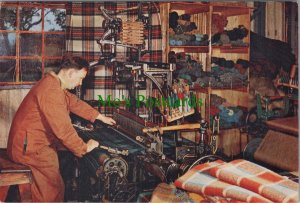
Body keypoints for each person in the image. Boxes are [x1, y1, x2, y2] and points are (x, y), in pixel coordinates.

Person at [7, 55, 116, 202]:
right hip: (30, 148)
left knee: (63, 161)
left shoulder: (53, 83)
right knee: (54, 189)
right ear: (71, 73)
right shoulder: (51, 90)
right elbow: (63, 129)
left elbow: (74, 103)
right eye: (80, 78)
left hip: (28, 143)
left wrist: (99, 117)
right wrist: (84, 147)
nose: (80, 83)